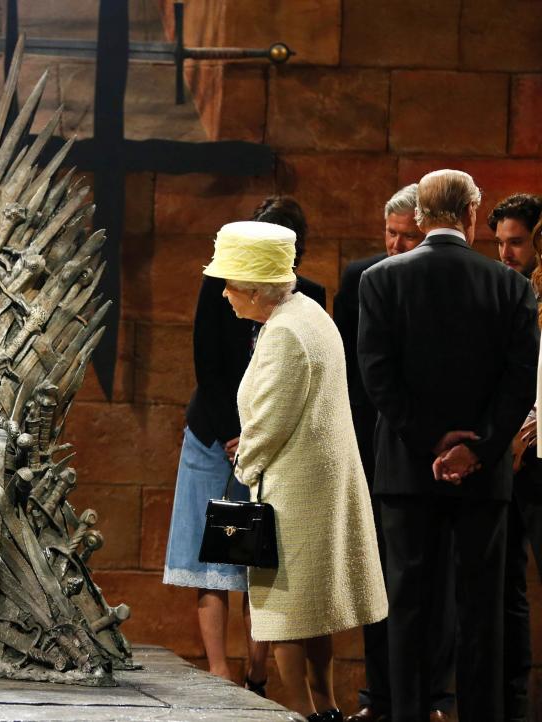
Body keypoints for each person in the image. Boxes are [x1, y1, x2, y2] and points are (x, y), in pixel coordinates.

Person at [358, 169, 539, 722]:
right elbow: (518, 383)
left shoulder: (380, 280)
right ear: (470, 215)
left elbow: (376, 376)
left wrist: (427, 440)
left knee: (408, 606)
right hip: (484, 478)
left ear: (419, 217)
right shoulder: (511, 286)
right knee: (481, 610)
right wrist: (477, 449)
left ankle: (409, 714)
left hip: (407, 474)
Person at [207, 219, 387, 722]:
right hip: (313, 482)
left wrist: (246, 463)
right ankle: (326, 708)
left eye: (232, 284)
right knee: (312, 611)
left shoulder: (285, 332)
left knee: (284, 614)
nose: (225, 294)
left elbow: (269, 420)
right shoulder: (307, 312)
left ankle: (306, 714)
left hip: (292, 490)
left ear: (258, 289)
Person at [163, 196, 322, 693]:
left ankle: (256, 674)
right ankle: (218, 672)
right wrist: (235, 431)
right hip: (217, 435)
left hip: (267, 443)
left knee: (254, 554)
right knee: (213, 558)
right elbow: (207, 361)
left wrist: (255, 436)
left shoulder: (306, 297)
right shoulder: (220, 286)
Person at [334, 185, 455, 722]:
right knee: (376, 580)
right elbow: (350, 376)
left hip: (435, 452)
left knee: (435, 585)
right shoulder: (360, 279)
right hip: (370, 451)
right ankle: (377, 697)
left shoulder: (441, 278)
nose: (398, 244)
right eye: (392, 233)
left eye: (409, 235)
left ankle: (433, 699)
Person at [489, 193, 542, 722]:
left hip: (535, 456)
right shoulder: (504, 292)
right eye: (500, 242)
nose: (506, 252)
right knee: (507, 595)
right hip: (509, 460)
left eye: (517, 242)